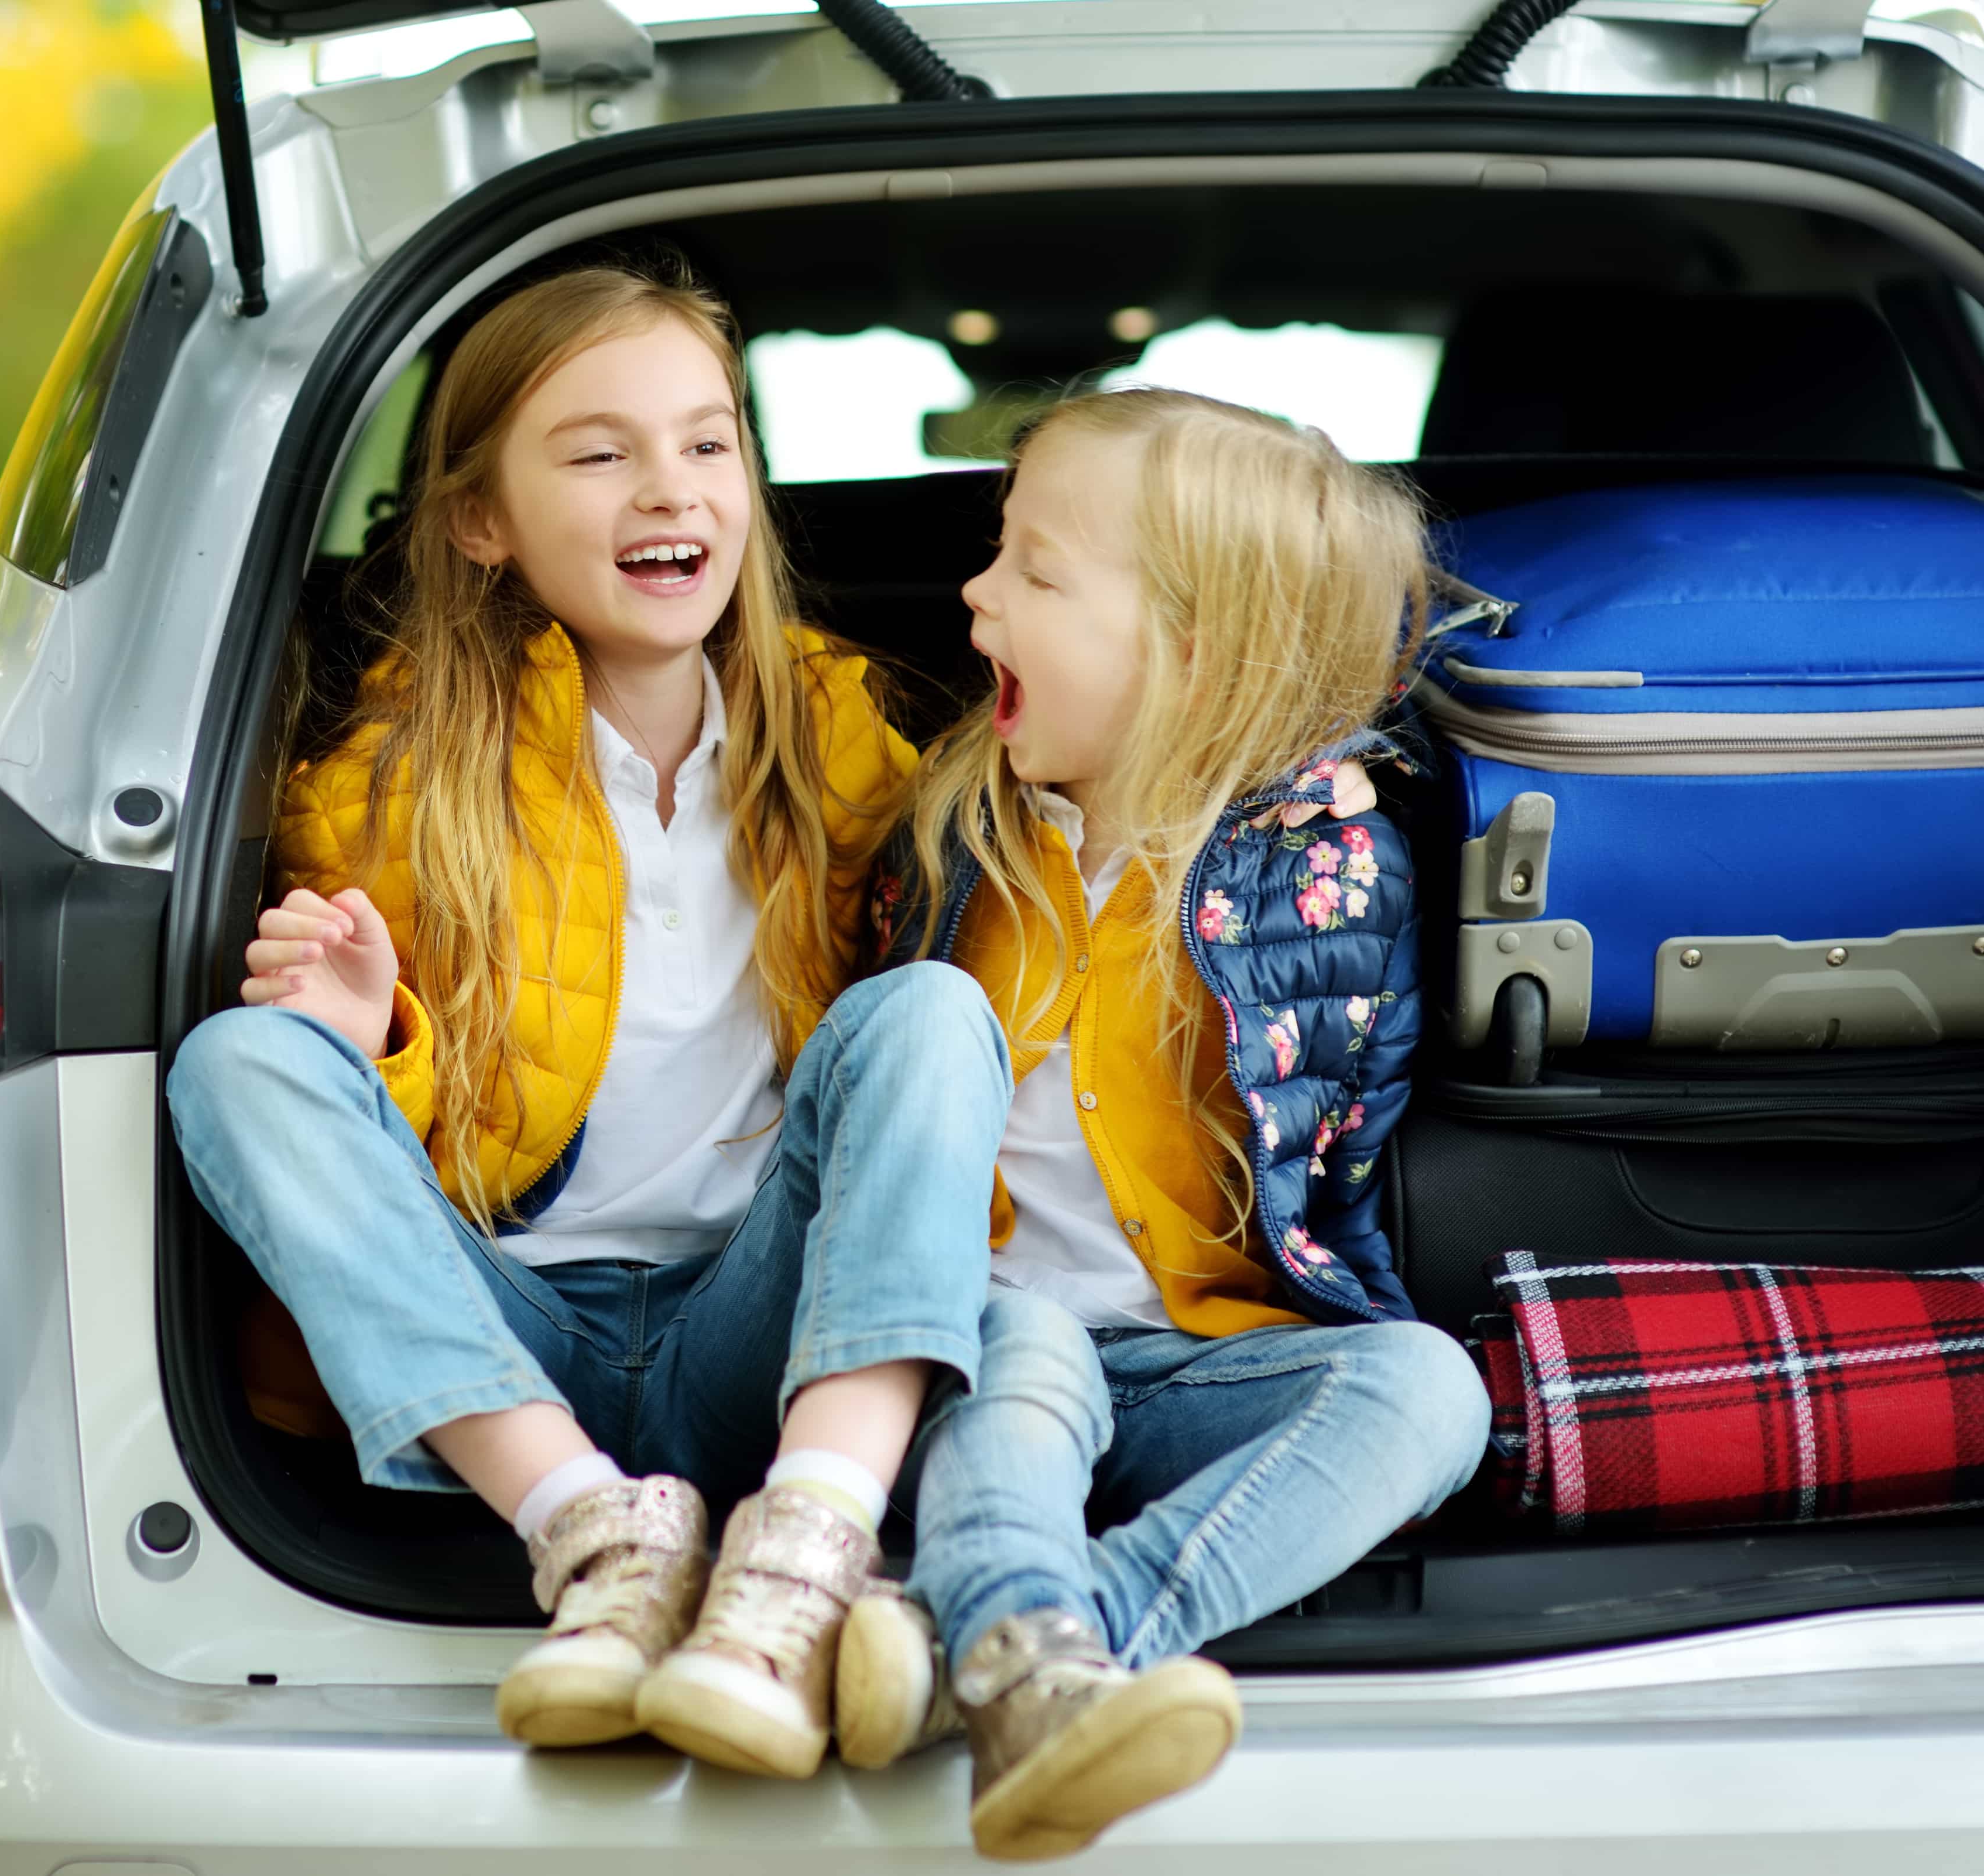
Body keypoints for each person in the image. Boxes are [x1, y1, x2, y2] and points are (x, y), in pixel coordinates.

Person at [164, 263, 1010, 1779]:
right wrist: (380, 1039)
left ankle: (807, 1539)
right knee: (243, 1059)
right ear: (482, 519)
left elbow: (952, 1030)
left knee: (935, 1010)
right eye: (599, 450)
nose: (666, 487)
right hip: (516, 1328)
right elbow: (402, 1167)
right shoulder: (387, 785)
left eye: (705, 442)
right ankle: (593, 1535)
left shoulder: (841, 739)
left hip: (757, 1321)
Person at [833, 388, 1493, 1860]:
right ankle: (1022, 1643)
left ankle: (1029, 1650)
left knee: (1429, 1391)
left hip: (1213, 1363)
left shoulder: (1332, 863)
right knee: (1033, 1340)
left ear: (1197, 661)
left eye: (1035, 572)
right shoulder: (952, 843)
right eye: (995, 553)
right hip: (985, 1351)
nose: (975, 592)